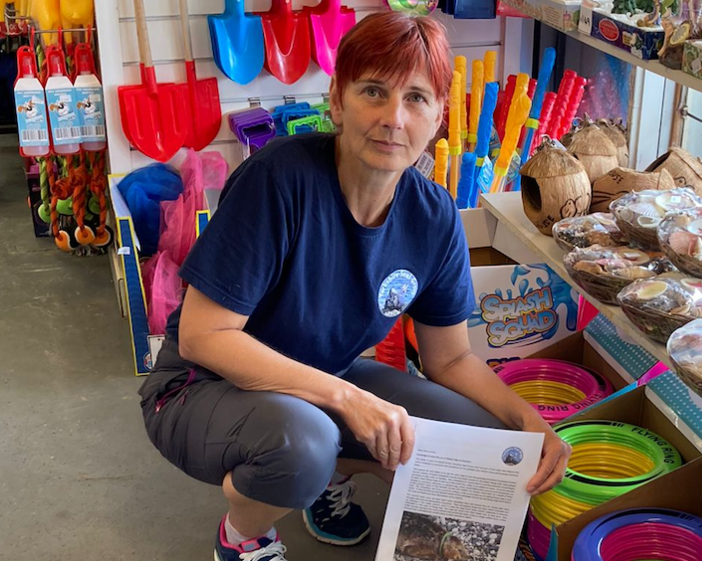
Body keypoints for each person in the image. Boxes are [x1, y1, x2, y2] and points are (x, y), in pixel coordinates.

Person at [138, 12, 572, 561]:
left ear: (438, 116)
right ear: (338, 102)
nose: (394, 117)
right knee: (304, 445)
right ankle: (244, 535)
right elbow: (204, 336)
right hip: (199, 386)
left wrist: (527, 424)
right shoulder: (279, 179)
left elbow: (451, 359)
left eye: (416, 98)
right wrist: (349, 399)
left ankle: (323, 476)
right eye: (374, 91)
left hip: (323, 382)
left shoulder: (434, 216)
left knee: (479, 438)